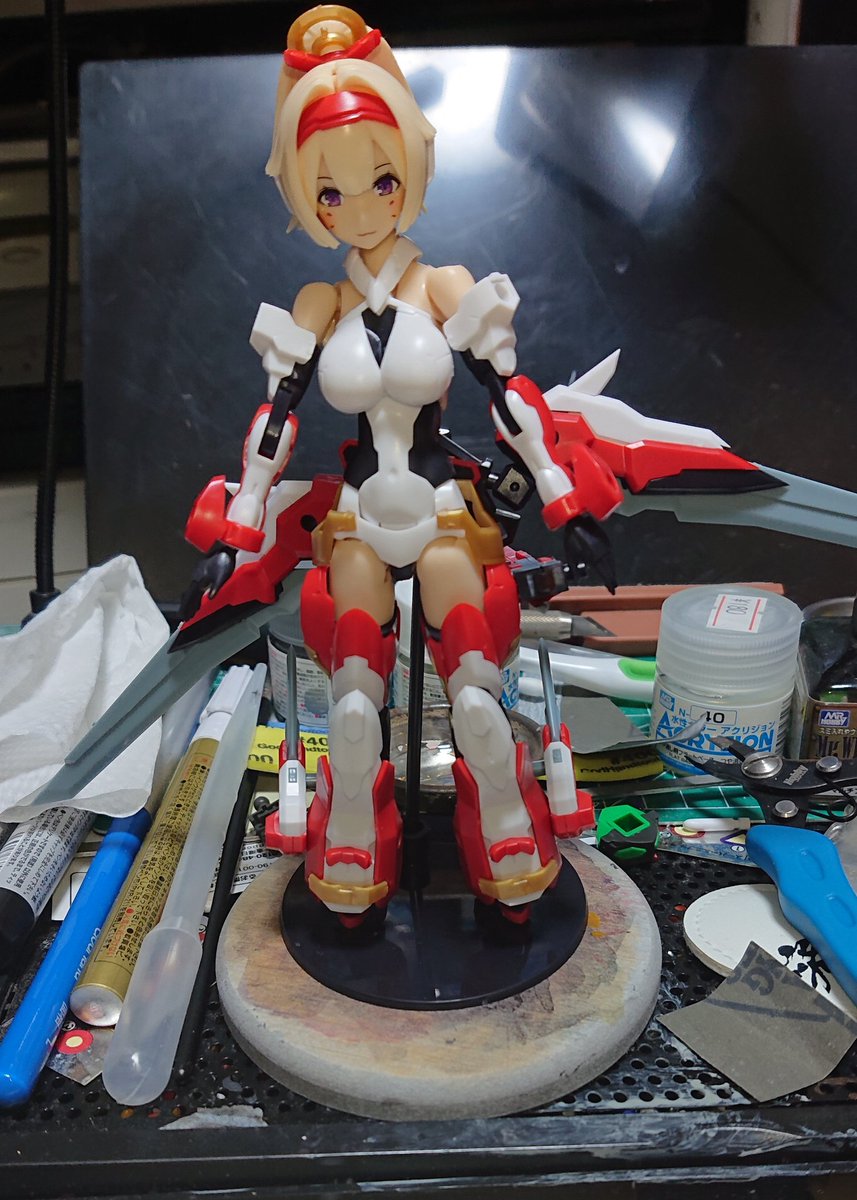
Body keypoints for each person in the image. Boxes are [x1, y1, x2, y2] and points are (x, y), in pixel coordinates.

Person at [185, 6, 616, 927]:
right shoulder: (319, 300)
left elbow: (509, 399)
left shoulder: (445, 285)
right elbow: (277, 419)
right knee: (350, 712)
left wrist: (564, 500)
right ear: (306, 198)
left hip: (442, 512)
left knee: (478, 705)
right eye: (329, 191)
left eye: (379, 177)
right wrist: (237, 530)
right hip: (357, 524)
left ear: (411, 167)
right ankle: (352, 842)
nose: (359, 205)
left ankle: (506, 837)